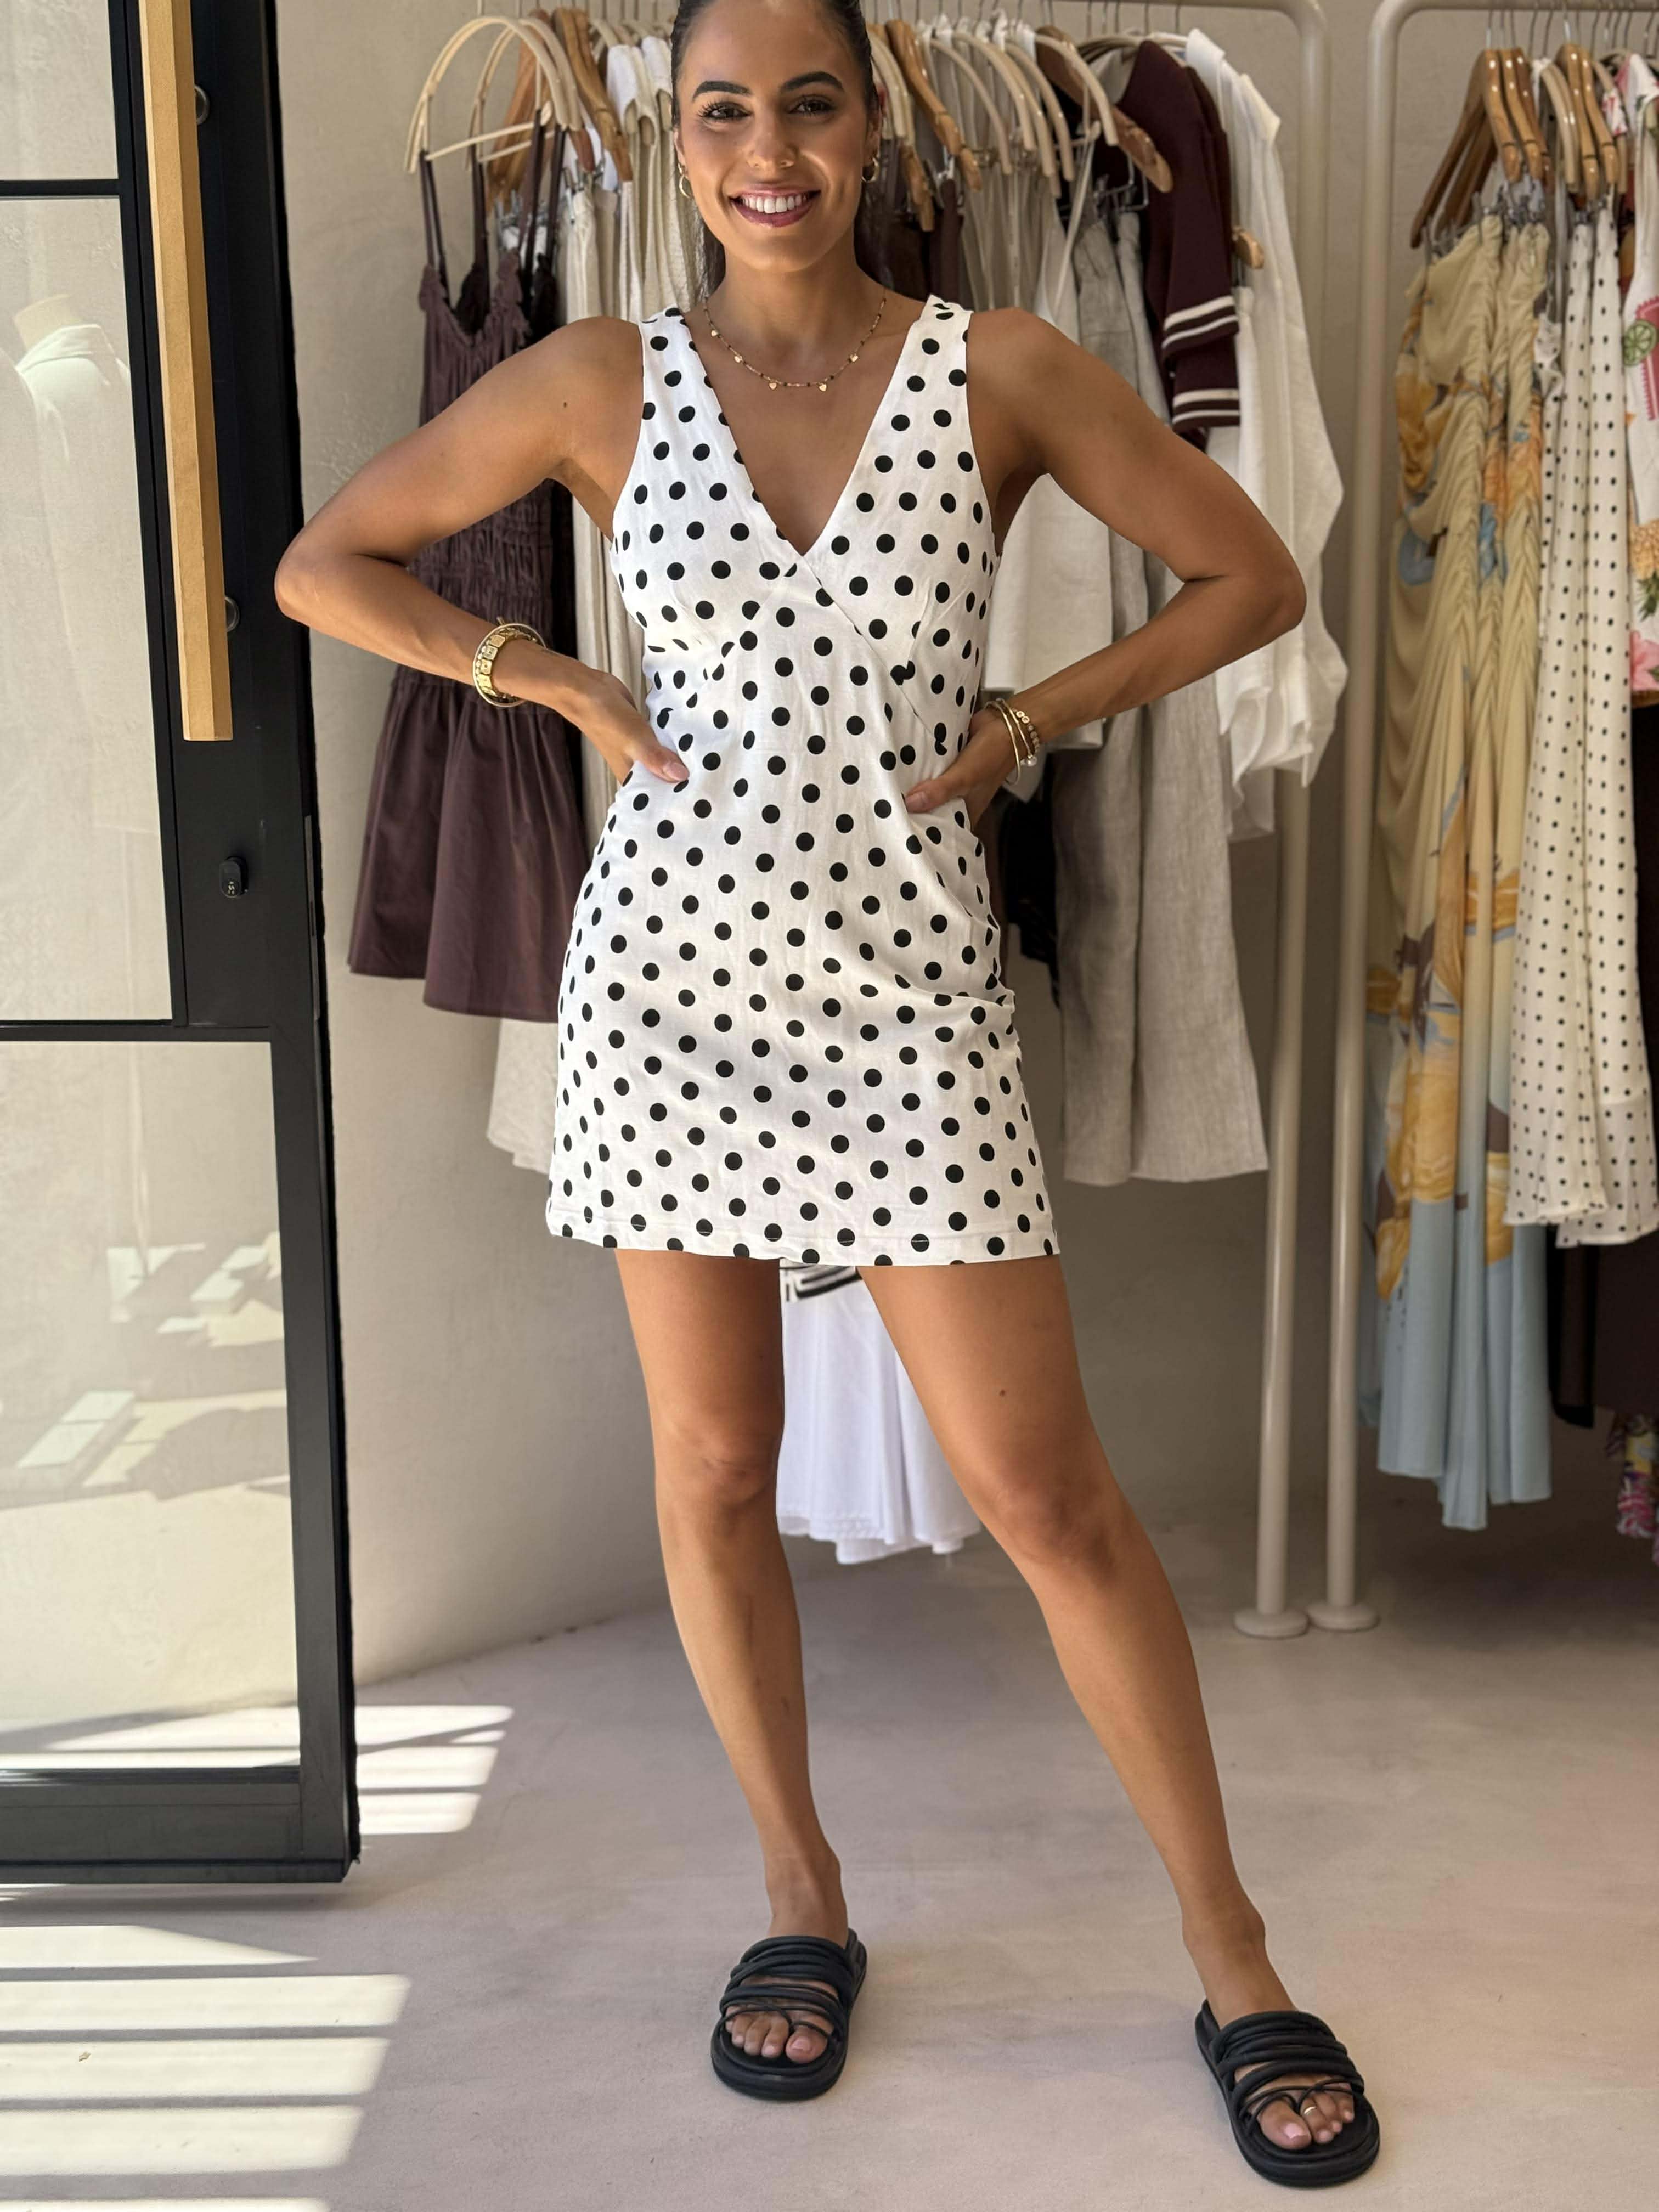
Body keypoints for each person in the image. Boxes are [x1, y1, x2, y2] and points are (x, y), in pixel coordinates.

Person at [276, 0, 1379, 2185]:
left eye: (808, 103)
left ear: (874, 127)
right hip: (667, 992)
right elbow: (326, 562)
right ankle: (801, 1893)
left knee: (1051, 1501)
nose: (766, 149)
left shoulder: (1001, 368)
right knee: (710, 1471)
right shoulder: (600, 380)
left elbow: (1256, 576)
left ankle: (1235, 1951)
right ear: (671, 141)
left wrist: (1034, 715)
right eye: (723, 111)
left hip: (910, 1004)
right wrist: (541, 670)